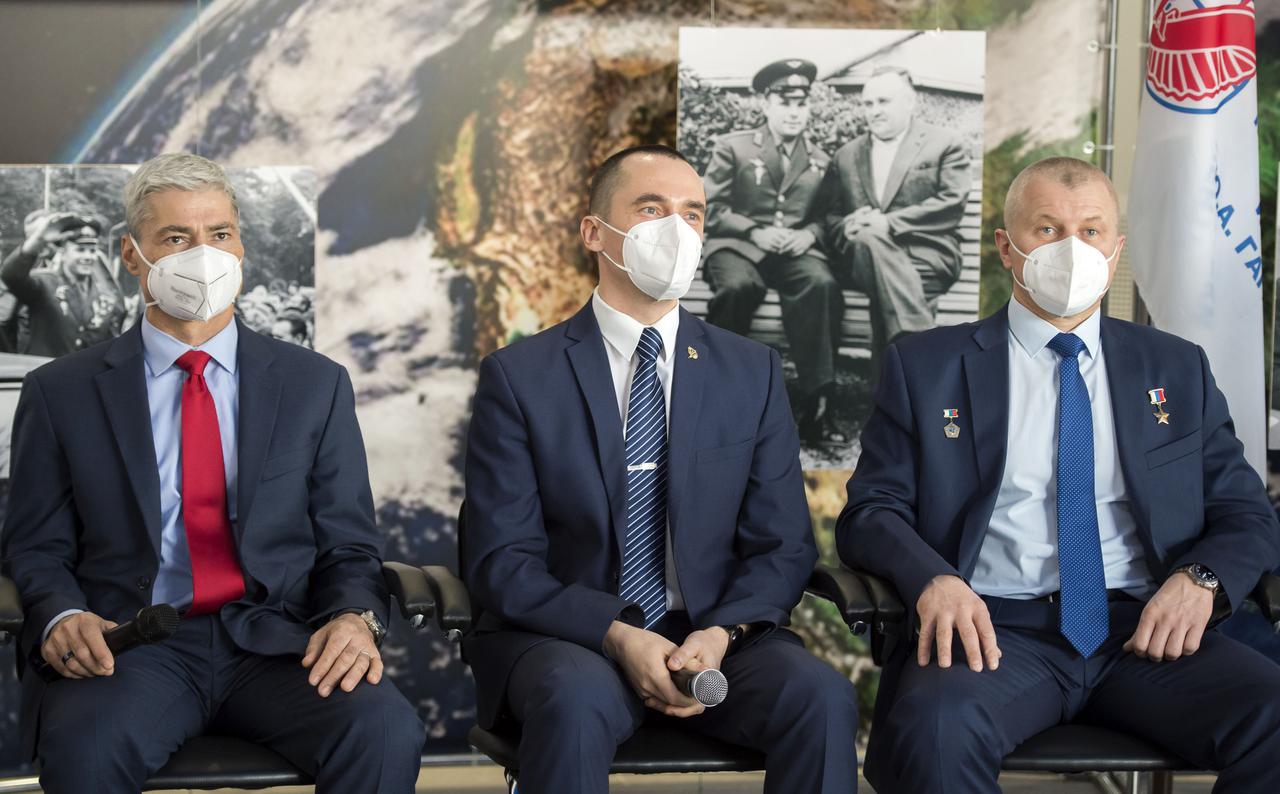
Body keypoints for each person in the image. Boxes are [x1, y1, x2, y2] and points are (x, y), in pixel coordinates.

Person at [836, 157, 1280, 793]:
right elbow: (871, 512)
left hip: (1146, 632)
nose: (1073, 250)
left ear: (1116, 248)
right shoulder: (927, 366)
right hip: (991, 633)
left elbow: (1247, 514)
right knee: (935, 734)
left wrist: (1203, 579)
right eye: (1048, 229)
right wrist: (932, 577)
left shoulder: (1175, 367)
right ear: (1006, 248)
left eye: (1092, 231)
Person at [1, 153, 425, 793]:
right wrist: (60, 616)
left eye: (219, 234)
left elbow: (349, 544)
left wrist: (355, 618)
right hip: (130, 646)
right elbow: (35, 546)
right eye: (176, 238)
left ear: (241, 248)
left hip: (277, 645)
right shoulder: (60, 392)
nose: (203, 254)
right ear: (131, 255)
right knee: (86, 751)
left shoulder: (314, 385)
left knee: (385, 730)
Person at [463, 144, 859, 794]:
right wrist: (616, 634)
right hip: (572, 639)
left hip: (716, 635)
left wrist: (721, 632)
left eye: (693, 214)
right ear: (595, 231)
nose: (676, 230)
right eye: (651, 209)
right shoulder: (520, 378)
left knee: (822, 699)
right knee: (573, 701)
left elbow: (784, 543)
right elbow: (501, 560)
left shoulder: (751, 372)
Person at [700, 59, 837, 443]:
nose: (794, 112)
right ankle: (716, 396)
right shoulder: (734, 147)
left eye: (801, 104)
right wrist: (754, 231)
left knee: (821, 284)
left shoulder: (821, 160)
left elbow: (829, 215)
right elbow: (710, 205)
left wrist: (809, 234)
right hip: (738, 247)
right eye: (784, 102)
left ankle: (817, 406)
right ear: (765, 103)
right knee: (738, 288)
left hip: (792, 252)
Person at [820, 65, 970, 362]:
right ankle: (917, 341)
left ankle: (885, 398)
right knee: (869, 240)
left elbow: (952, 201)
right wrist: (848, 225)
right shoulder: (846, 155)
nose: (874, 111)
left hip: (928, 256)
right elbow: (828, 215)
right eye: (868, 104)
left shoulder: (944, 143)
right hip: (860, 259)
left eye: (883, 102)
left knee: (885, 285)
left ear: (910, 102)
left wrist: (887, 223)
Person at [1, 213, 128, 357]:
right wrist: (39, 239)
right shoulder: (43, 283)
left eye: (92, 251)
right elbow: (11, 275)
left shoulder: (105, 296)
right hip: (44, 375)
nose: (87, 257)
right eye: (80, 250)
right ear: (63, 251)